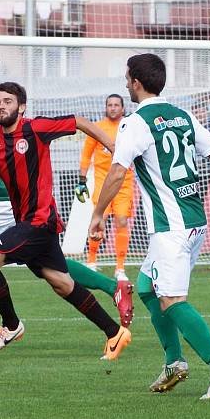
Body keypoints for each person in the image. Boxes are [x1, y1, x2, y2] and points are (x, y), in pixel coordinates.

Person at [0, 52, 132, 352]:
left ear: (21, 107)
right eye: (0, 102)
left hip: (39, 221)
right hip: (26, 222)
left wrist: (111, 144)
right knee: (60, 281)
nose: (2, 107)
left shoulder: (35, 128)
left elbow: (79, 121)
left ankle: (11, 325)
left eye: (8, 102)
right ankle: (114, 331)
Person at [89, 53, 210, 399]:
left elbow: (117, 171)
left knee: (172, 300)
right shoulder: (182, 114)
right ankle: (174, 361)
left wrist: (98, 213)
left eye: (127, 78)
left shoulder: (137, 123)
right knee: (146, 288)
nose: (125, 83)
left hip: (171, 228)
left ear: (136, 83)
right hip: (194, 223)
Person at [77, 93, 135, 280]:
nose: (113, 107)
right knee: (99, 218)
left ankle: (120, 267)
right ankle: (91, 261)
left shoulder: (130, 127)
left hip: (124, 181)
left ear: (123, 108)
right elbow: (87, 154)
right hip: (103, 180)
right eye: (109, 104)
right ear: (106, 107)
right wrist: (82, 180)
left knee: (122, 221)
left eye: (116, 104)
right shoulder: (97, 128)